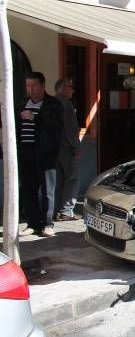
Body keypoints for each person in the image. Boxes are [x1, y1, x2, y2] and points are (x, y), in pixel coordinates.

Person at [18, 72, 63, 238]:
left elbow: (56, 128)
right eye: (28, 86)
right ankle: (32, 223)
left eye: (34, 85)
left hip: (45, 154)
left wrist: (34, 118)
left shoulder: (53, 104)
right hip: (25, 152)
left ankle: (47, 224)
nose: (30, 89)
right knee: (28, 189)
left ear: (43, 86)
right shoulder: (22, 103)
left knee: (47, 191)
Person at [54, 78, 81, 221]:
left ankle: (56, 209)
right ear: (63, 88)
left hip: (54, 148)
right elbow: (70, 130)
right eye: (70, 87)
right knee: (72, 178)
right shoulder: (66, 104)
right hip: (66, 148)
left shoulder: (51, 103)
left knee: (58, 180)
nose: (73, 90)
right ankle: (66, 211)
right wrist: (76, 148)